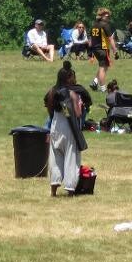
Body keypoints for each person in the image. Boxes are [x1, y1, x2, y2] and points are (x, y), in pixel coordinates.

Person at [45, 61, 87, 197]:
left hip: (55, 125)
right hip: (69, 127)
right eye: (72, 77)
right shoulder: (72, 93)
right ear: (68, 78)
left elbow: (50, 111)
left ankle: (53, 190)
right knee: (71, 158)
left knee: (55, 158)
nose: (74, 79)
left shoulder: (52, 91)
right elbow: (78, 113)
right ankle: (70, 190)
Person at [88, 8, 117, 93]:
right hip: (102, 49)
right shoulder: (105, 25)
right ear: (101, 16)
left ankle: (95, 82)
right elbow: (110, 39)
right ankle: (103, 88)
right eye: (106, 15)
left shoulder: (94, 25)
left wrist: (90, 51)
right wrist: (115, 50)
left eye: (108, 15)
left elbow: (90, 40)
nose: (108, 17)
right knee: (102, 69)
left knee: (104, 66)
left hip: (95, 49)